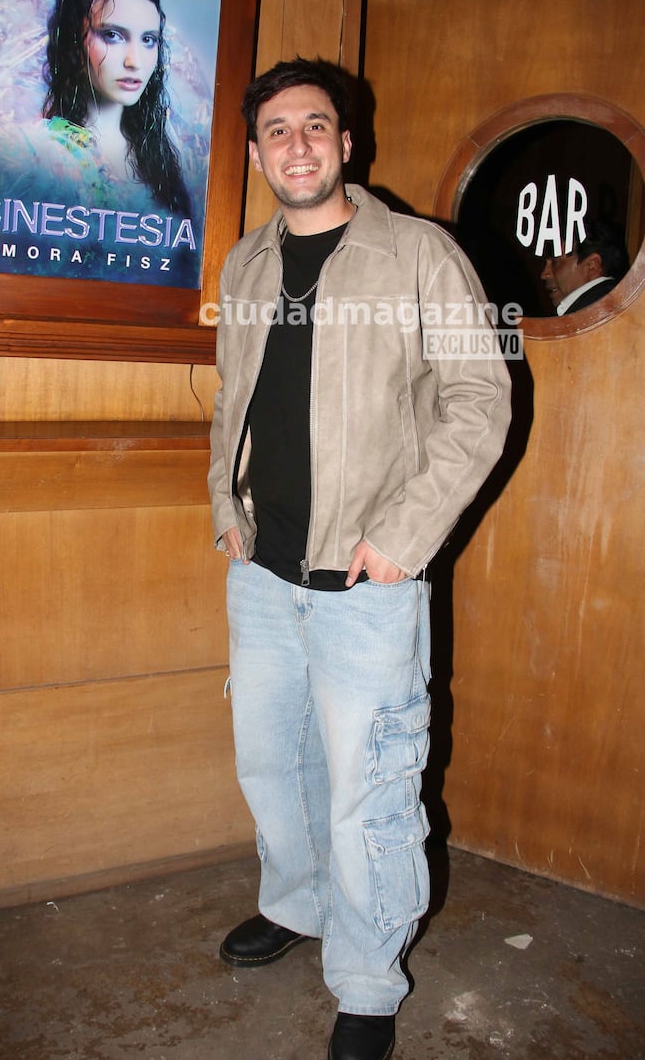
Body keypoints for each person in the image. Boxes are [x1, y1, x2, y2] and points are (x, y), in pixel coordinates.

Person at [207, 58, 512, 1060]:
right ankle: (296, 905)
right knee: (271, 766)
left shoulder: (415, 253)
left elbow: (477, 399)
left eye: (315, 125)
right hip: (262, 572)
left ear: (345, 143)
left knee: (368, 786)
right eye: (277, 131)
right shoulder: (246, 265)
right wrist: (225, 503)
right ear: (256, 154)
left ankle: (370, 980)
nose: (296, 143)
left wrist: (404, 534)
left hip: (365, 577)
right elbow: (230, 398)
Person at [42, 0, 190, 214]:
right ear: (74, 38)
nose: (134, 61)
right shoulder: (37, 150)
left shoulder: (161, 155)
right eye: (112, 35)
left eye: (148, 39)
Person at [540, 219, 629, 315]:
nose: (544, 274)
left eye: (555, 262)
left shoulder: (591, 316)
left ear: (592, 265)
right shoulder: (616, 305)